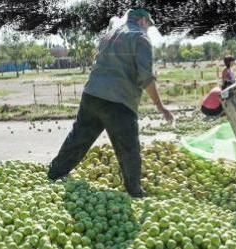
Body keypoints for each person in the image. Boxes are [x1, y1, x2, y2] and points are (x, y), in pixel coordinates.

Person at [47, 8, 174, 198]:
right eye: (149, 25)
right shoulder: (140, 38)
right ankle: (135, 192)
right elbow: (146, 78)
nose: (149, 29)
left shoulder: (110, 35)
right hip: (118, 102)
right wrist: (160, 107)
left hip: (92, 95)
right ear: (142, 21)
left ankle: (54, 174)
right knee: (128, 148)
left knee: (79, 138)